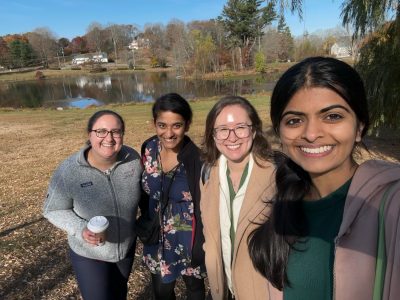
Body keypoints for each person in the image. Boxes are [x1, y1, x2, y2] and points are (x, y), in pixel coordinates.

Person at [249, 56, 400, 300]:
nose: (311, 134)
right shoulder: (281, 205)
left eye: (332, 116)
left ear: (359, 126)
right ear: (279, 132)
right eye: (295, 120)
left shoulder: (390, 206)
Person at [43, 110, 142, 300]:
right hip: (89, 254)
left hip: (125, 248)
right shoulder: (70, 170)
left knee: (119, 294)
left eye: (116, 131)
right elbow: (53, 208)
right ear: (90, 134)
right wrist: (81, 228)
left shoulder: (133, 160)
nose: (109, 138)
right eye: (101, 131)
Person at [200, 95, 275, 299]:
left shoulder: (276, 177)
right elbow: (210, 234)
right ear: (213, 135)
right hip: (224, 289)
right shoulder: (208, 174)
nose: (232, 137)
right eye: (223, 129)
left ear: (254, 129)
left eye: (240, 127)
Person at [140, 93, 206, 300]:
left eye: (176, 126)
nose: (168, 133)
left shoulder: (197, 159)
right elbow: (144, 192)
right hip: (157, 237)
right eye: (162, 125)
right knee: (162, 291)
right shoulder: (149, 149)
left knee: (194, 289)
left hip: (188, 238)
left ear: (187, 125)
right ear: (154, 123)